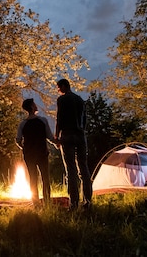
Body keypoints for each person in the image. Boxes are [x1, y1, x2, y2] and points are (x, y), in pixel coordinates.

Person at [54, 78, 92, 211]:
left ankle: (74, 203)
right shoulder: (80, 100)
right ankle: (87, 201)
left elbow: (59, 118)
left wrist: (56, 135)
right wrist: (82, 131)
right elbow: (84, 119)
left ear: (64, 86)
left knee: (70, 169)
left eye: (58, 87)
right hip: (81, 135)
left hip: (68, 135)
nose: (58, 90)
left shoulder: (62, 100)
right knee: (84, 168)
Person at [16, 98, 57, 206]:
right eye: (34, 104)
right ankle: (47, 201)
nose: (36, 105)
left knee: (33, 178)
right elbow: (49, 136)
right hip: (42, 153)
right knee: (45, 178)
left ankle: (35, 202)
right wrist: (56, 143)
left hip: (29, 155)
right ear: (31, 107)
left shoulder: (23, 124)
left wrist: (24, 148)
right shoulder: (42, 121)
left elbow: (18, 140)